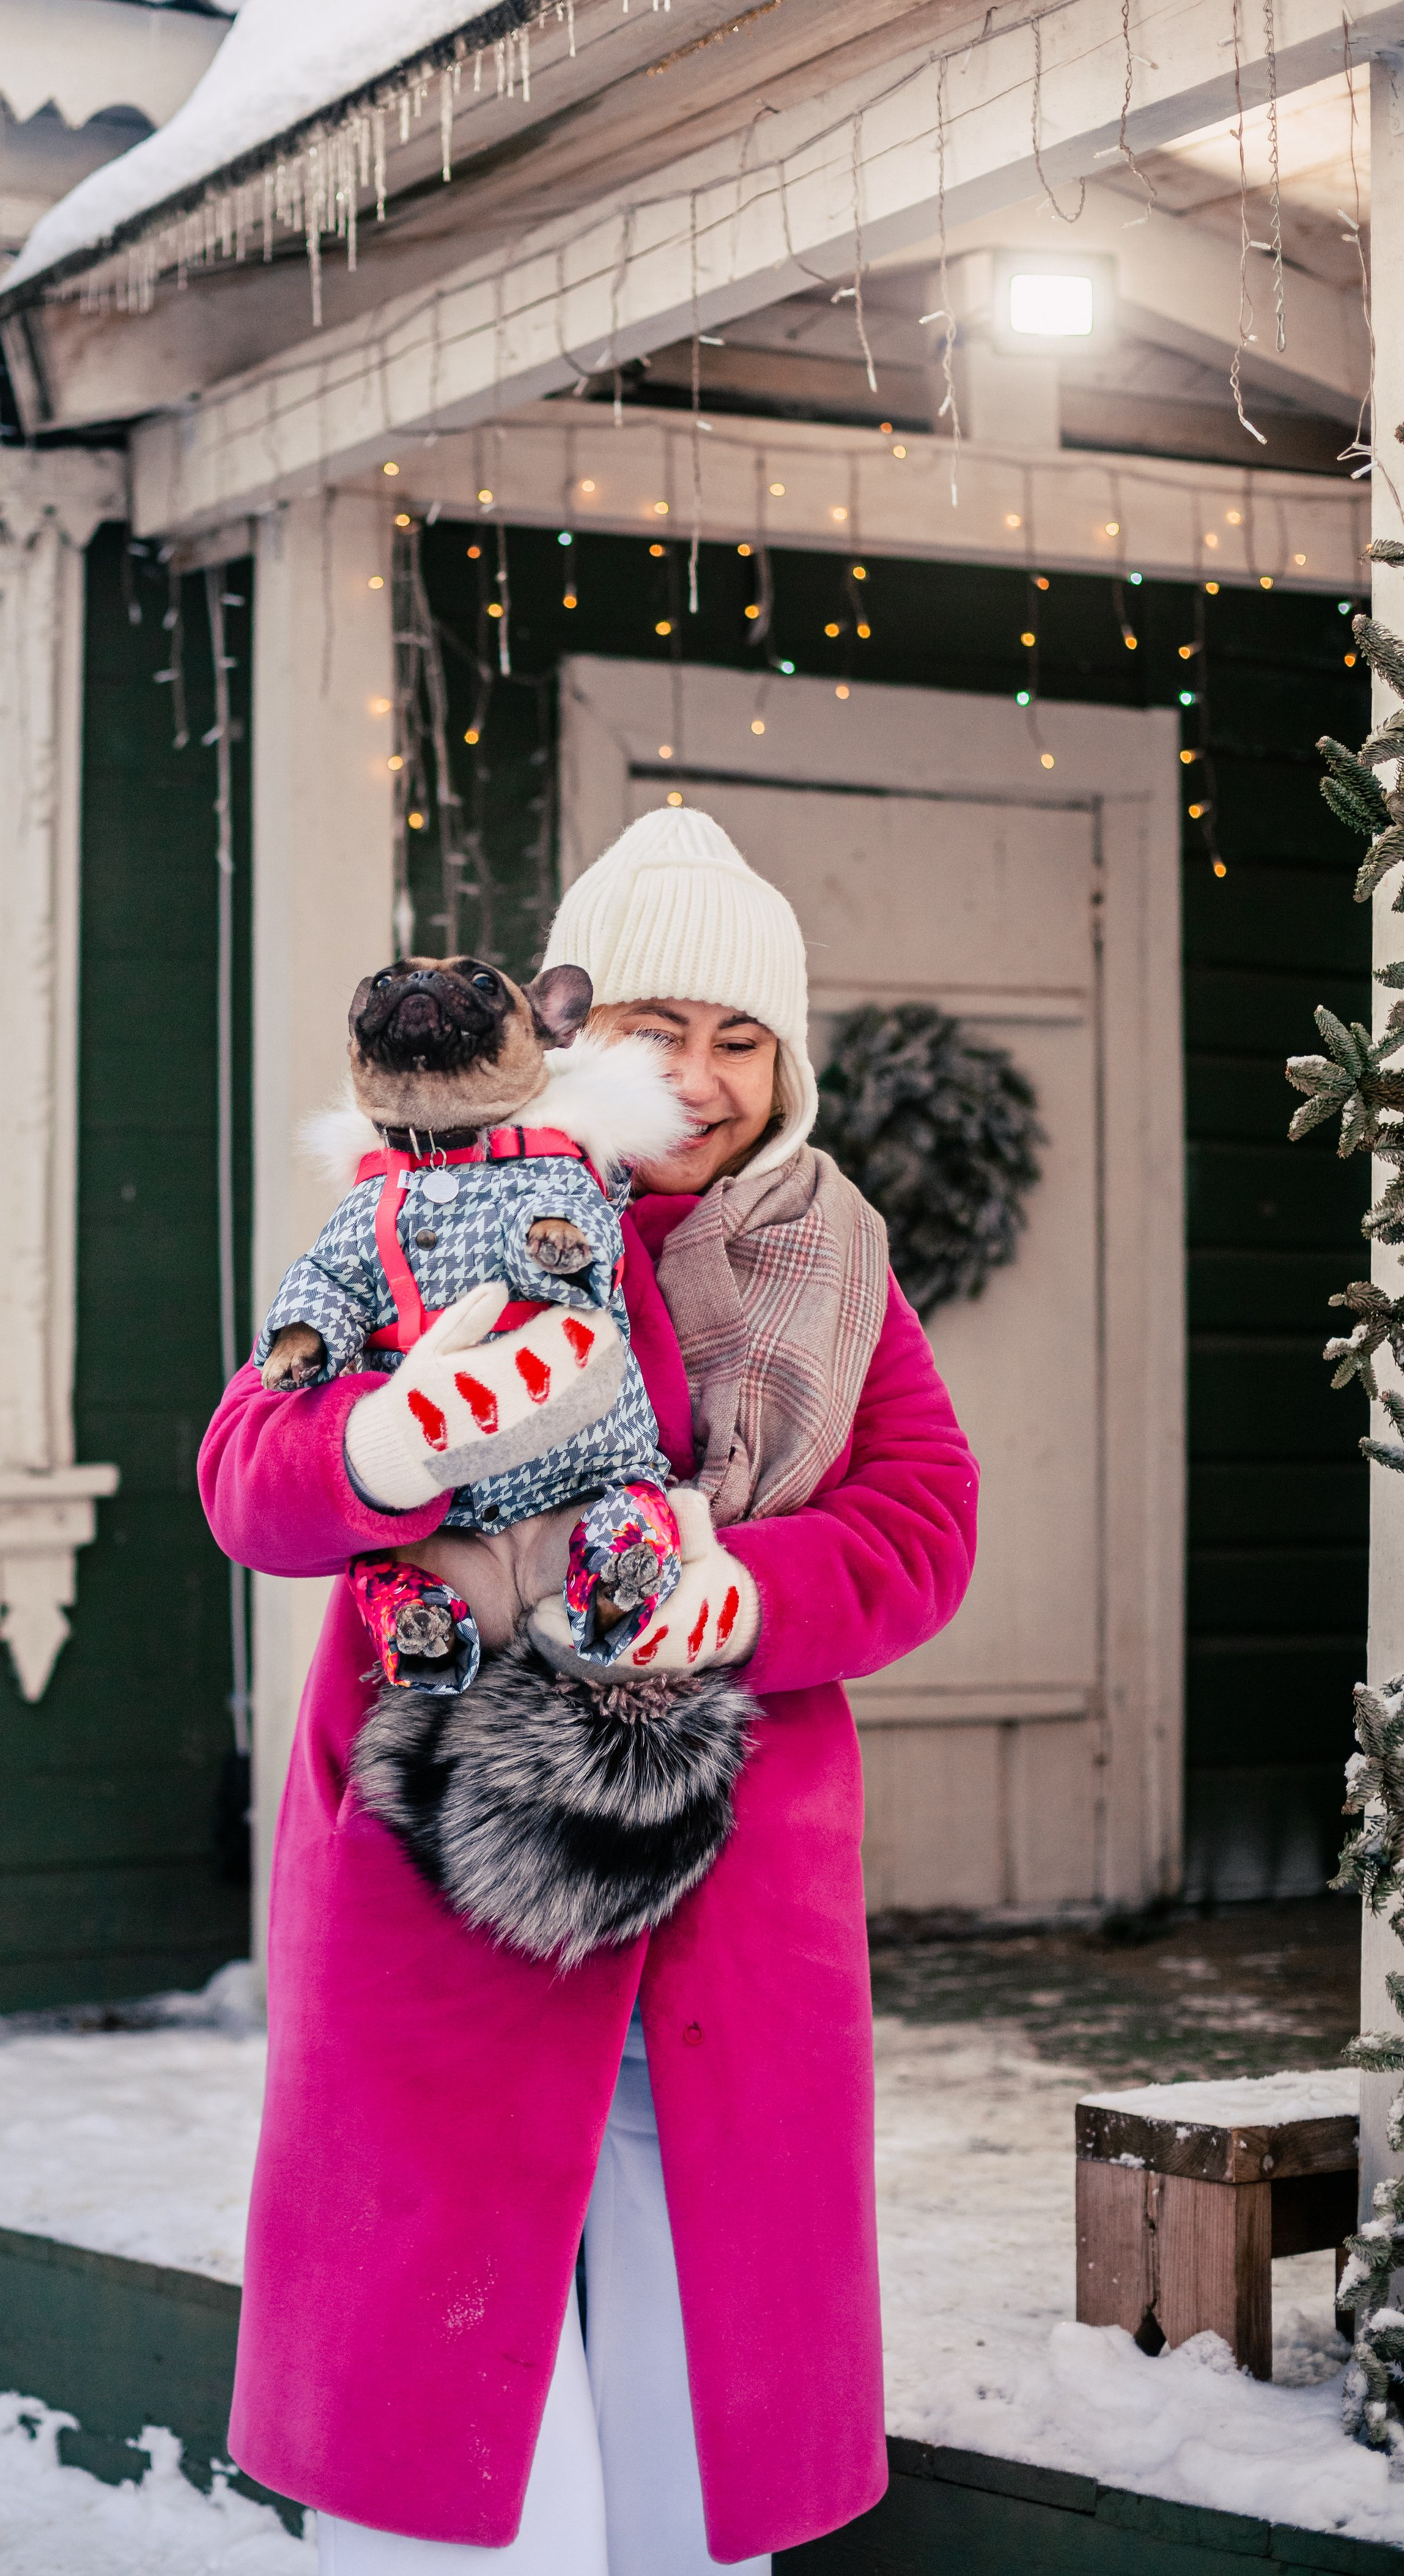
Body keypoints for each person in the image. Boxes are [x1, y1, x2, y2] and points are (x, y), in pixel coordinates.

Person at [198, 807, 978, 2572]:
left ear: (783, 1059)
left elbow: (921, 1525)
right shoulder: (434, 1202)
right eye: (651, 1029)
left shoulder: (828, 1257)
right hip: (443, 1890)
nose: (697, 1079)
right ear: (566, 1033)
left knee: (692, 2451)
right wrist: (385, 1443)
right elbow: (249, 1474)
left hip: (727, 1912)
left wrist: (736, 1589)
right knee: (459, 2447)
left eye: (737, 1037)